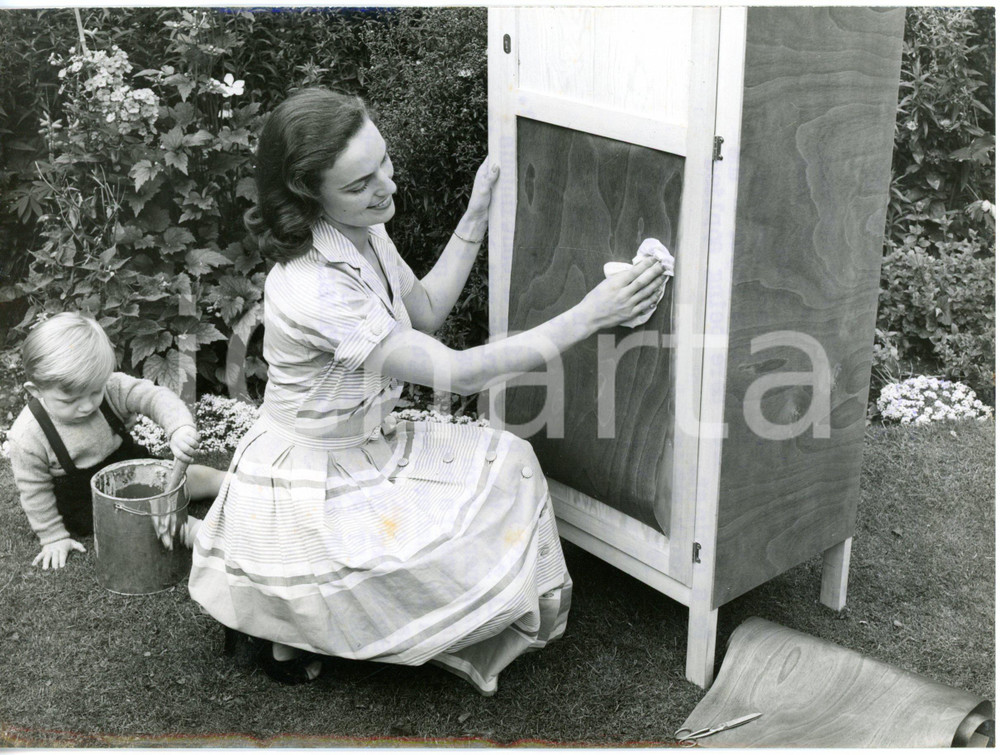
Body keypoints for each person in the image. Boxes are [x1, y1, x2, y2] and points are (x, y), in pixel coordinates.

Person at [188, 88, 670, 694]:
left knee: (510, 461)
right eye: (361, 182)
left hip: (369, 443)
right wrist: (591, 314)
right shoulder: (312, 287)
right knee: (405, 565)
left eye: (383, 162)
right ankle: (285, 610)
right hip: (314, 476)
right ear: (310, 194)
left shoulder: (359, 228)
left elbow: (426, 312)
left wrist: (474, 217)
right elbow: (458, 373)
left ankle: (298, 599)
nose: (386, 186)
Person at [6, 313, 226, 569]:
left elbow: (154, 397)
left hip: (129, 465)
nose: (87, 405)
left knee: (183, 478)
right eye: (69, 401)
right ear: (36, 391)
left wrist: (179, 427)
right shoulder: (28, 435)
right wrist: (53, 536)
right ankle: (196, 532)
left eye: (94, 392)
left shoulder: (112, 388)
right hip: (87, 501)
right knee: (140, 516)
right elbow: (34, 491)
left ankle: (229, 483)